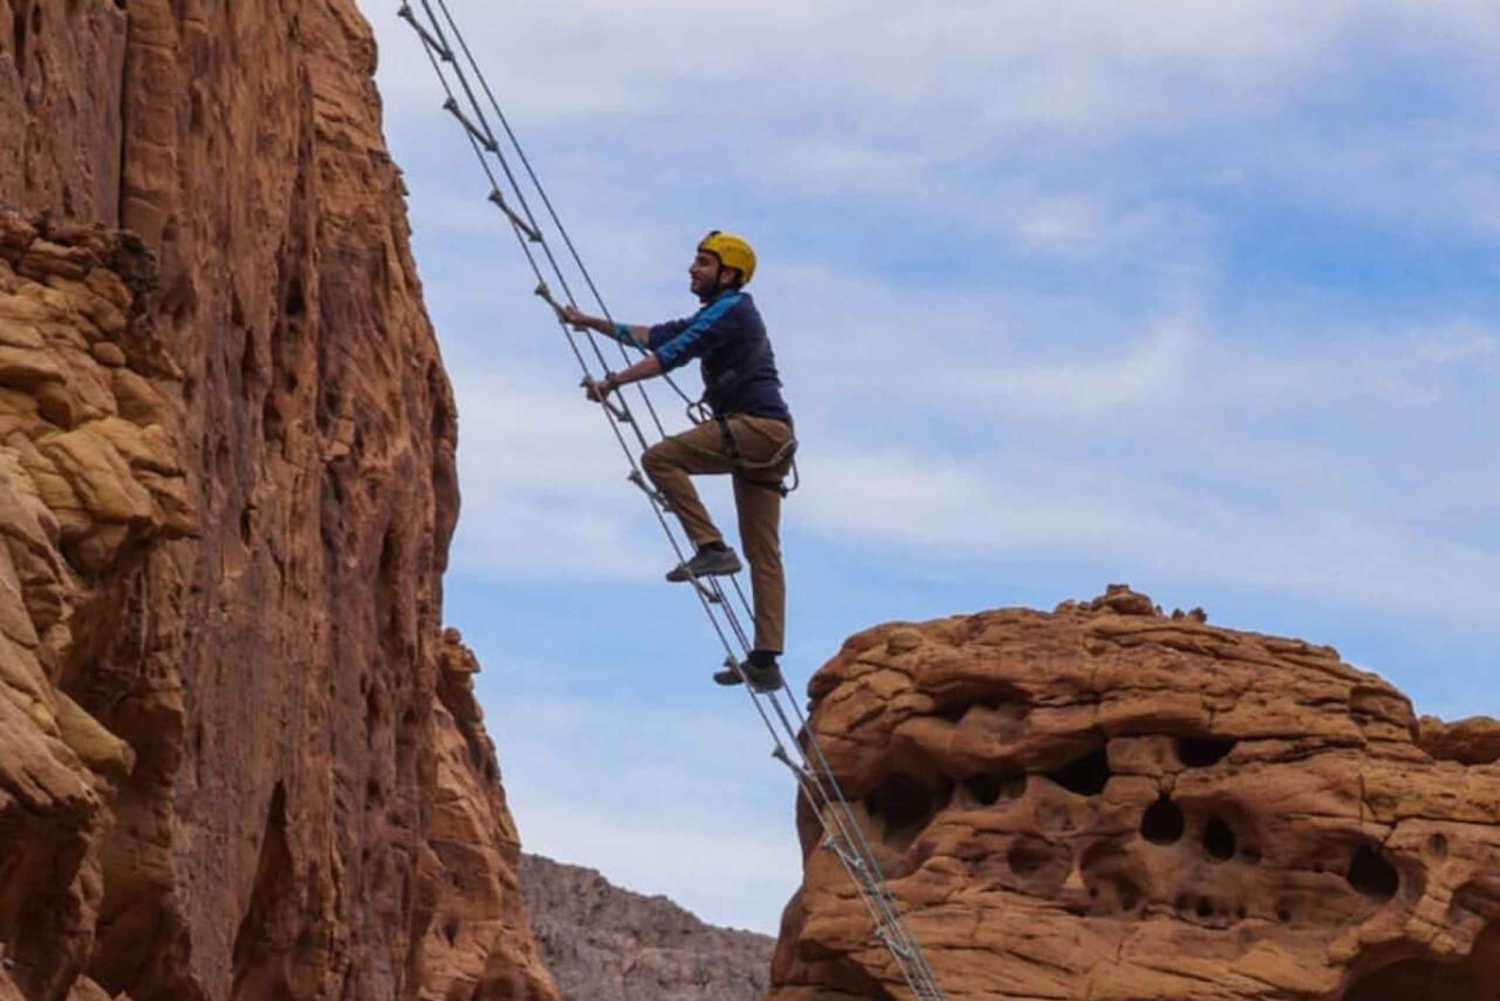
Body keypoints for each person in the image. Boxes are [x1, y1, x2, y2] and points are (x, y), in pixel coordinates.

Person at [560, 231, 794, 693]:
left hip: (754, 428)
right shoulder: (718, 312)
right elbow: (656, 336)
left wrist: (613, 383)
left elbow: (672, 354)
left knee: (660, 459)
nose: (693, 269)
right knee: (764, 552)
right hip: (772, 438)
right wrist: (591, 322)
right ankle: (766, 659)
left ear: (728, 275)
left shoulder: (732, 310)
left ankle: (711, 549)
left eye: (704, 263)